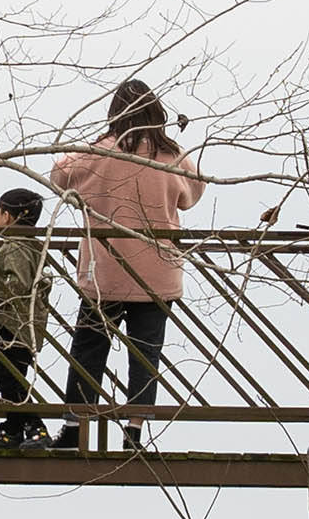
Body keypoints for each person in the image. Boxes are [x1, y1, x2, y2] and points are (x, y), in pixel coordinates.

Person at [54, 78, 203, 452]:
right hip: (157, 270)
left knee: (89, 346)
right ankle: (134, 431)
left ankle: (76, 426)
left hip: (105, 269)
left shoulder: (101, 151)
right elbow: (193, 193)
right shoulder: (172, 155)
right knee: (146, 351)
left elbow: (59, 175)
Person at [0, 186, 54, 448]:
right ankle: (12, 429)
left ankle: (35, 426)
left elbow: (16, 284)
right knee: (12, 373)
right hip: (27, 322)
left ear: (8, 216)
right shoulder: (32, 244)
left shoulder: (15, 247)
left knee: (8, 375)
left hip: (15, 322)